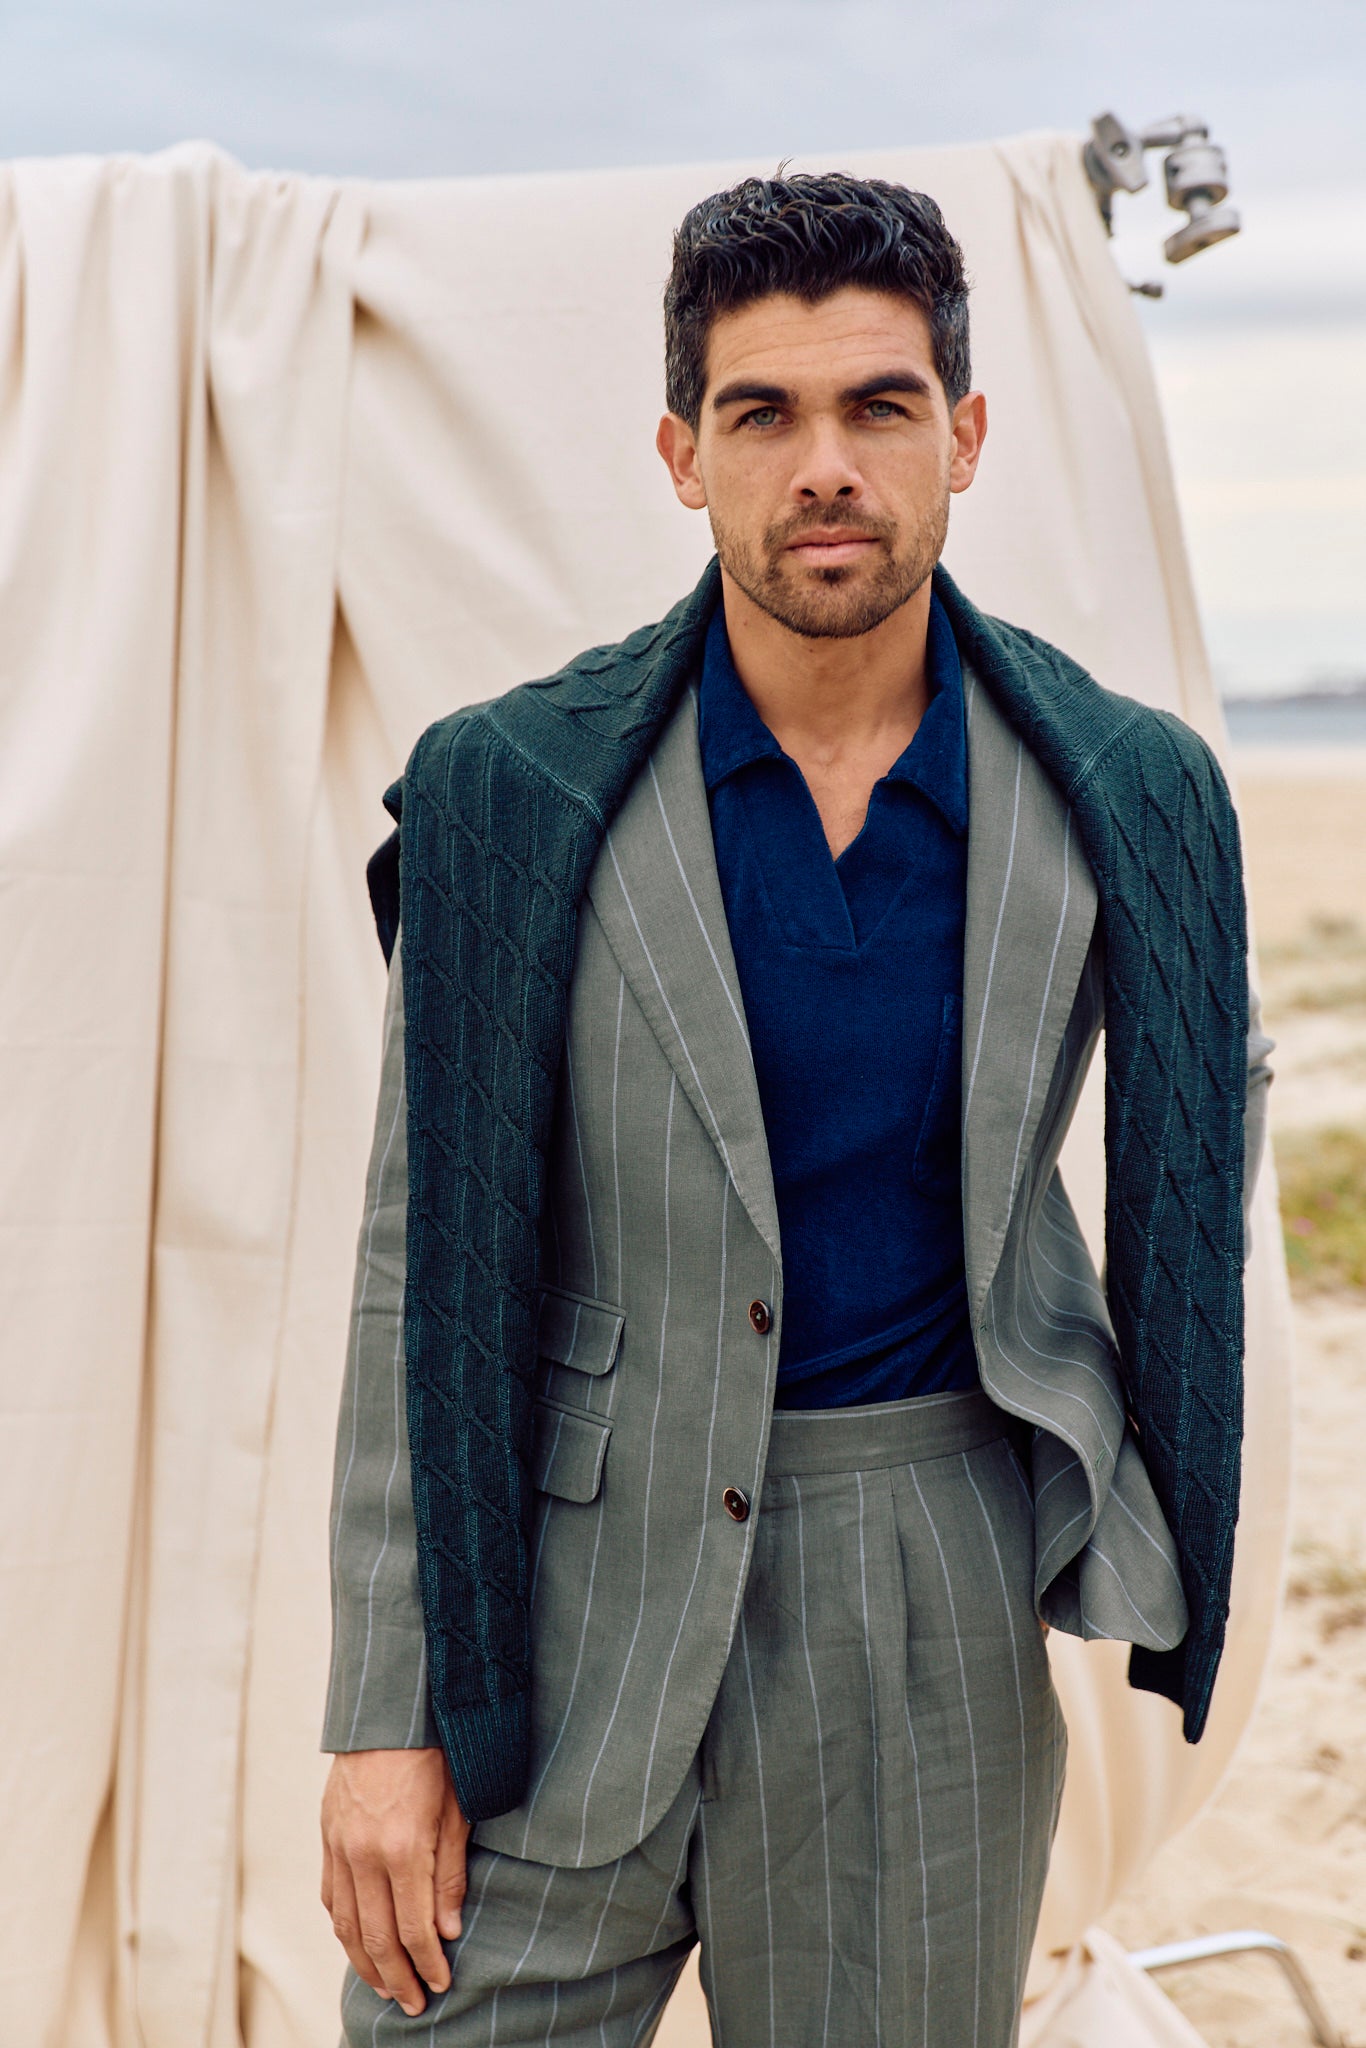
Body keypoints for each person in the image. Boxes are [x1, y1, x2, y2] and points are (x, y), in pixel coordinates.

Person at [319, 172, 1273, 2047]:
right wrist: (383, 1713)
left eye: (878, 407)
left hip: (918, 1578)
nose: (821, 462)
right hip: (562, 1587)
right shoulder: (513, 788)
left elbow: (1192, 1138)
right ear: (683, 455)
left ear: (965, 437)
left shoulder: (1121, 795)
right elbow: (410, 1261)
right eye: (761, 413)